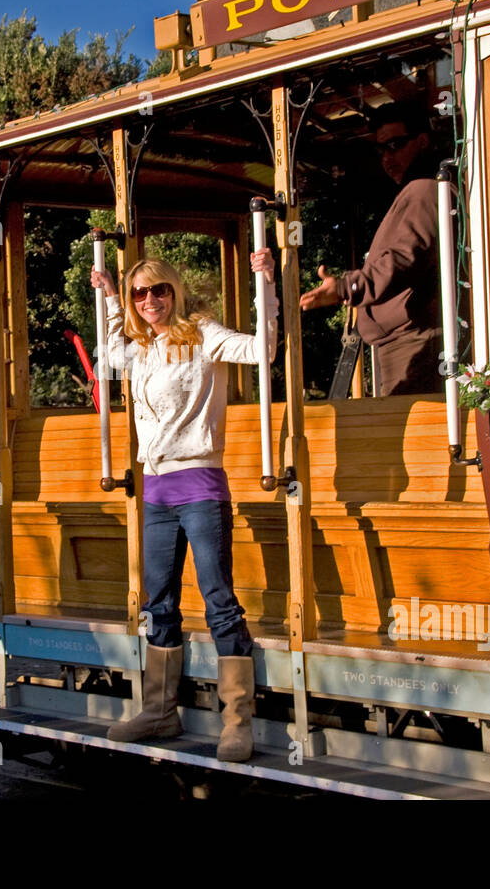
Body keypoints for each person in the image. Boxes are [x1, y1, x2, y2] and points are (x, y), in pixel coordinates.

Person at [91, 251, 277, 762]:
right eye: (139, 294)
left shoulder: (203, 335)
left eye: (159, 291)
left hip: (199, 484)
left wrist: (265, 283)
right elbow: (108, 357)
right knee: (159, 603)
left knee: (218, 600)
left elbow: (264, 349)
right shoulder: (142, 348)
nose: (150, 301)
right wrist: (109, 300)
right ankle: (159, 711)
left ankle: (237, 721)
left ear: (174, 291)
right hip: (155, 491)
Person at [299, 102, 445, 395]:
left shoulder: (423, 192)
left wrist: (346, 288)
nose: (387, 159)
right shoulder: (416, 192)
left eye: (395, 145)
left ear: (423, 141)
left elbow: (401, 260)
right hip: (403, 344)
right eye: (381, 151)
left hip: (413, 345)